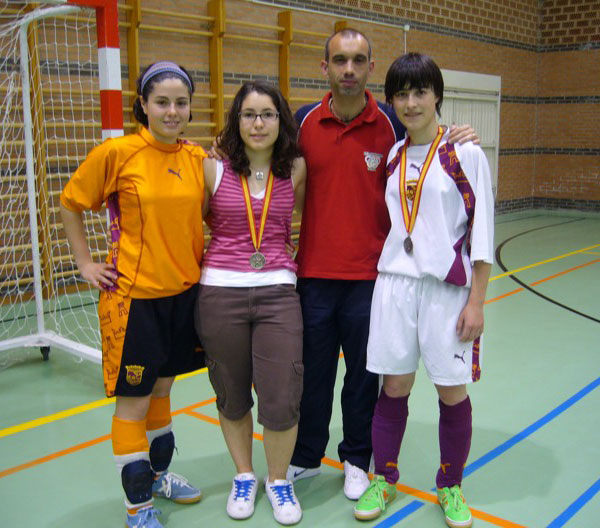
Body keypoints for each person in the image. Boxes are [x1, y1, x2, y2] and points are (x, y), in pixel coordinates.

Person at [286, 28, 479, 501]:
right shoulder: (304, 120)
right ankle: (307, 455)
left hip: (373, 278)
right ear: (325, 66)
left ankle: (356, 457)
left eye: (357, 60)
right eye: (339, 60)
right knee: (313, 373)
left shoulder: (392, 123)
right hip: (313, 272)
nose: (348, 69)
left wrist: (459, 130)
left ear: (371, 67)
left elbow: (429, 138)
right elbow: (264, 157)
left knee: (363, 378)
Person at [60, 61, 206, 528]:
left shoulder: (197, 159)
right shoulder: (118, 153)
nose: (172, 111)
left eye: (180, 103)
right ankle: (138, 505)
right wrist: (85, 263)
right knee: (134, 401)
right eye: (161, 102)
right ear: (142, 104)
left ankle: (160, 475)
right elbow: (71, 202)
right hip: (133, 300)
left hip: (184, 296)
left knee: (163, 388)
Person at [352, 52, 494, 528]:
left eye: (420, 92)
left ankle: (450, 485)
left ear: (437, 95)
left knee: (451, 392)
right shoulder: (393, 155)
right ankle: (384, 477)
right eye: (402, 94)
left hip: (445, 292)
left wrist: (477, 301)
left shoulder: (465, 153)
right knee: (393, 387)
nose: (411, 103)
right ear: (391, 99)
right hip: (394, 287)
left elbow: (482, 234)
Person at [194, 80, 307, 526]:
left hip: (279, 291)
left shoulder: (295, 168)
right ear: (235, 121)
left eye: (268, 114)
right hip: (220, 292)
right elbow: (196, 219)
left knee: (281, 394)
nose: (258, 123)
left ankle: (278, 480)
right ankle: (245, 474)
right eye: (248, 114)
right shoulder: (212, 168)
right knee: (232, 393)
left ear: (281, 121)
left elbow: (303, 218)